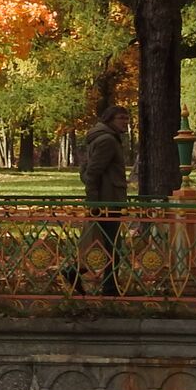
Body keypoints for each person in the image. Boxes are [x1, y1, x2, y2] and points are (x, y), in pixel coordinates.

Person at [71, 104, 131, 295]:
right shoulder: (107, 141)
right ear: (109, 120)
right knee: (112, 246)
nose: (125, 122)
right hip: (108, 201)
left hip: (106, 199)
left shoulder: (102, 138)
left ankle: (76, 273)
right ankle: (109, 286)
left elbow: (87, 170)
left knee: (100, 242)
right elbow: (92, 173)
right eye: (121, 118)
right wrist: (94, 201)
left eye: (127, 119)